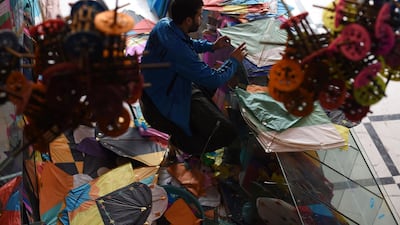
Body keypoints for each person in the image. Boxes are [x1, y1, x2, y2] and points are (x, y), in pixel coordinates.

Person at [140, 0, 247, 156]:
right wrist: (234, 61)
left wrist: (211, 46)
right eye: (198, 15)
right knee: (227, 133)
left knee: (210, 79)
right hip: (159, 107)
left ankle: (194, 124)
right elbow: (214, 79)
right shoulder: (180, 54)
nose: (201, 19)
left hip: (155, 91)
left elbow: (187, 43)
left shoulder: (164, 25)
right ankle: (182, 142)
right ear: (188, 20)